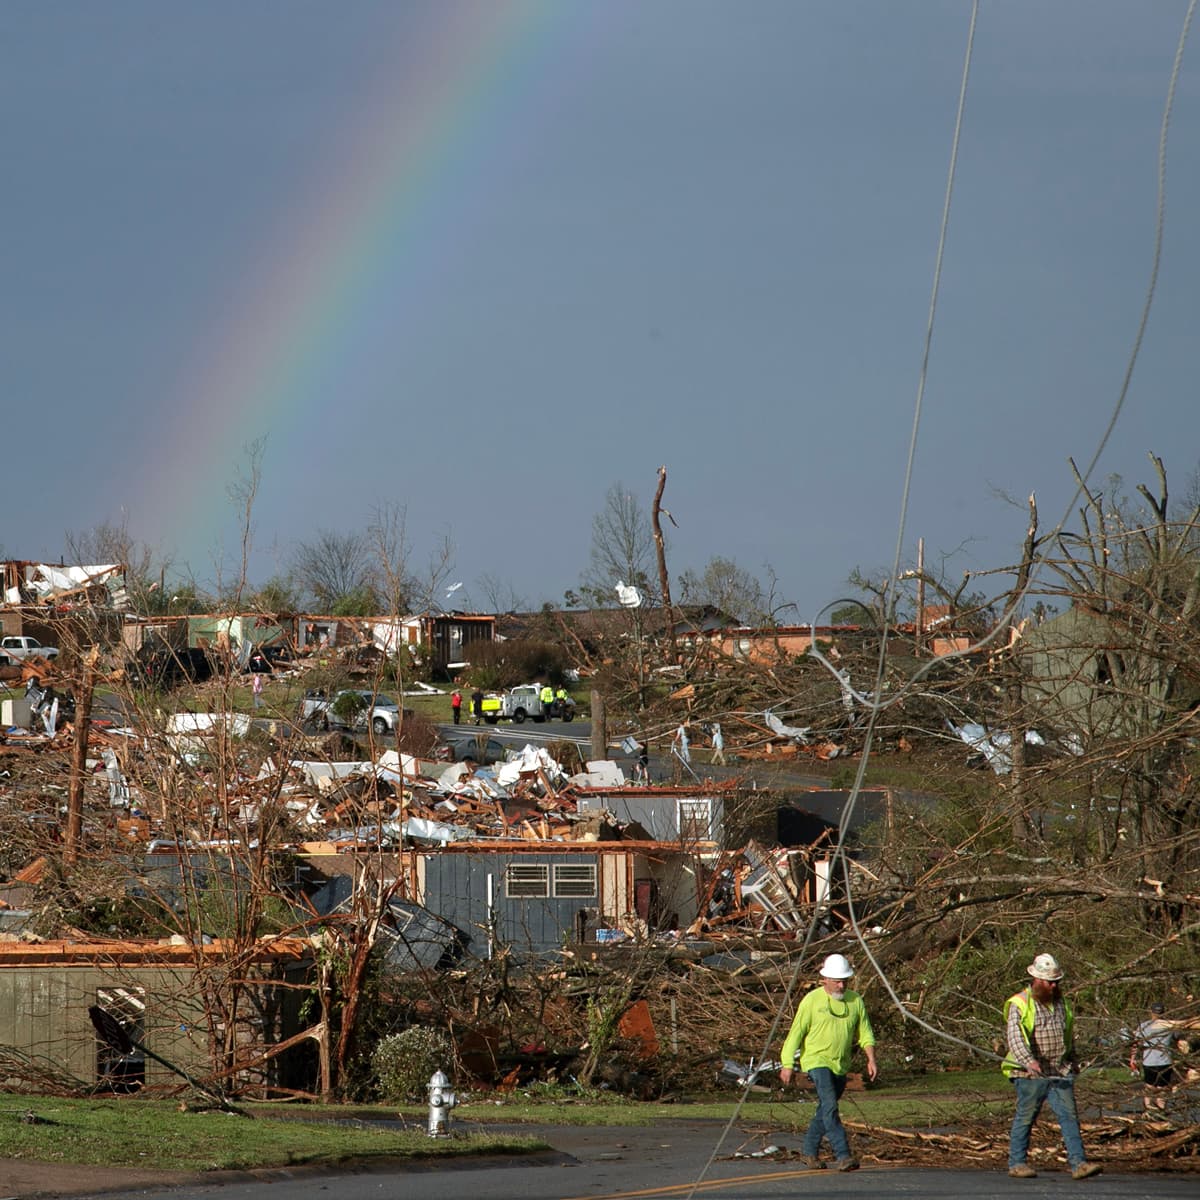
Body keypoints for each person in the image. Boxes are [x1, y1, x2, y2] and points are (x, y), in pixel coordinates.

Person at [1002, 953, 1101, 1180]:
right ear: (1037, 980)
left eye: (1057, 982)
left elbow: (1068, 1036)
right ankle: (1017, 1163)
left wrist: (1074, 1060)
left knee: (1069, 1116)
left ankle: (1079, 1163)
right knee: (1025, 1117)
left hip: (1059, 1070)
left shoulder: (1062, 1003)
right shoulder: (1020, 1003)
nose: (1054, 986)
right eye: (1050, 982)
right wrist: (1029, 1061)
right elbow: (1015, 1037)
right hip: (1028, 1073)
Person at [779, 952, 878, 1171]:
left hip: (840, 1065)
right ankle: (843, 1155)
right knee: (831, 1106)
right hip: (816, 1061)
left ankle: (809, 1152)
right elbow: (796, 1033)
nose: (841, 986)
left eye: (844, 981)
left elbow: (866, 1034)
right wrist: (787, 1064)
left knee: (825, 1108)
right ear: (825, 979)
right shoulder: (812, 1001)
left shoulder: (855, 1001)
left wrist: (871, 1059)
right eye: (836, 981)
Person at [1129, 1002, 1173, 1111]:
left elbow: (1135, 1044)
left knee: (1149, 1087)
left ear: (1151, 1012)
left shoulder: (1144, 1026)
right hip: (1165, 1062)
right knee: (1162, 1089)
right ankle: (1161, 1111)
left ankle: (1149, 1109)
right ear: (1164, 1012)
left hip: (1149, 1062)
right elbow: (1180, 1040)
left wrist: (1132, 1059)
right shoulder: (1170, 1025)